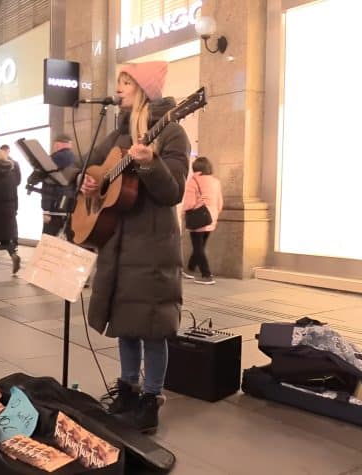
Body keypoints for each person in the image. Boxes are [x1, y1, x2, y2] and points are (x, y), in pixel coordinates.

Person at [82, 61, 189, 433]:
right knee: (126, 322)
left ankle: (151, 398)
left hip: (153, 245)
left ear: (143, 88)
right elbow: (91, 168)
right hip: (118, 242)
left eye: (124, 82)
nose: (119, 88)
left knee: (153, 325)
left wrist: (150, 163)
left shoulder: (172, 133)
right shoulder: (117, 135)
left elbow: (172, 190)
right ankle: (127, 388)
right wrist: (91, 183)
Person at [182, 156, 223, 285]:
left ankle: (206, 275)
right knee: (200, 246)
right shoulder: (216, 182)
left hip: (198, 218)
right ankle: (190, 269)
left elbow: (190, 203)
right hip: (211, 217)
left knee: (198, 247)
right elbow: (220, 203)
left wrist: (183, 211)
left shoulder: (193, 181)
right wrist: (214, 213)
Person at [41, 133, 80, 236]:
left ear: (57, 144)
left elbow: (48, 186)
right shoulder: (78, 160)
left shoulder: (52, 160)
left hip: (55, 207)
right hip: (72, 207)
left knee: (48, 242)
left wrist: (46, 210)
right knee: (70, 240)